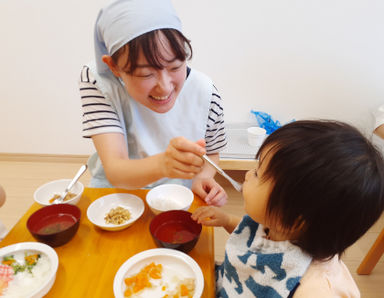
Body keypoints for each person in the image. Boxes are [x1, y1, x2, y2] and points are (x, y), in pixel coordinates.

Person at [192, 120, 384, 297]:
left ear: (293, 220)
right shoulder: (278, 224)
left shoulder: (312, 290)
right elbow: (252, 236)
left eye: (258, 173)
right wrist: (226, 220)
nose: (248, 174)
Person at [79, 0, 227, 206]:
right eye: (146, 74)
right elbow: (116, 170)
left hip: (177, 197)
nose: (165, 87)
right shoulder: (98, 81)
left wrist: (203, 177)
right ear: (114, 66)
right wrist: (163, 164)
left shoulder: (205, 92)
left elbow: (212, 152)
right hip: (115, 195)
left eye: (175, 67)